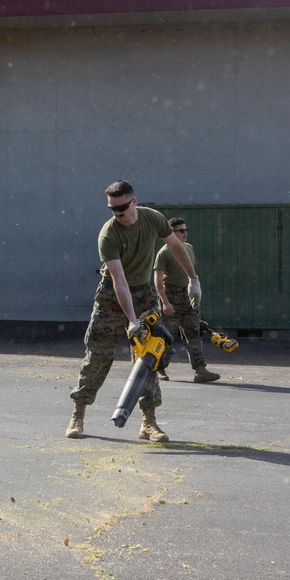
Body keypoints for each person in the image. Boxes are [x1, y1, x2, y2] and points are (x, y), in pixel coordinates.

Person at [66, 180, 201, 442]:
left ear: (134, 202)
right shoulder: (109, 234)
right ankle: (77, 415)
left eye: (123, 207)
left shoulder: (153, 219)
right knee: (98, 357)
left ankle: (148, 424)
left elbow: (176, 246)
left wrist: (193, 278)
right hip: (111, 297)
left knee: (148, 358)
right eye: (112, 209)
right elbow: (119, 281)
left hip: (144, 294)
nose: (118, 213)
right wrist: (131, 320)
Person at [153, 217, 220, 384]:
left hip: (187, 296)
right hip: (171, 296)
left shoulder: (189, 248)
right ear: (172, 233)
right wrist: (165, 302)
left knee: (193, 333)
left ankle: (200, 370)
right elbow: (157, 280)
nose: (185, 233)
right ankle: (159, 369)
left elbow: (191, 272)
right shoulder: (164, 252)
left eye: (186, 230)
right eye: (181, 231)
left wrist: (195, 290)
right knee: (167, 336)